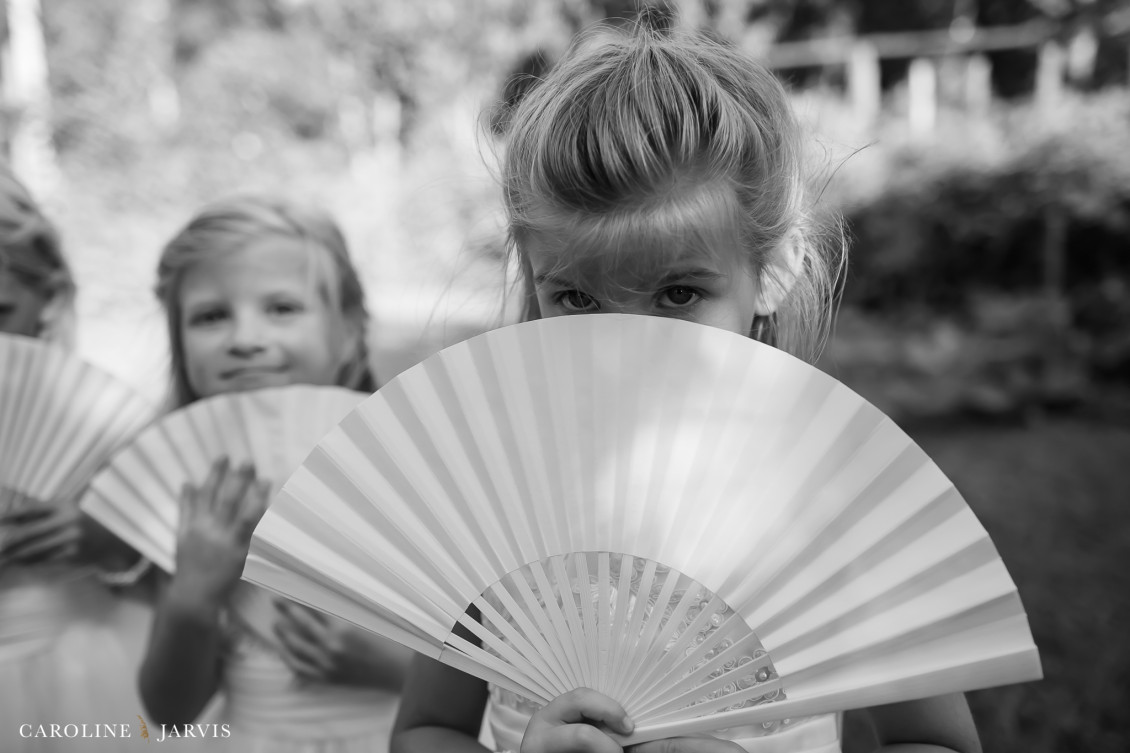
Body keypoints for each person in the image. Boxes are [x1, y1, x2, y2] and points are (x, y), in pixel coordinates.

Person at [391, 26, 982, 753]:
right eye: (578, 298)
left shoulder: (834, 497)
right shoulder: (492, 494)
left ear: (774, 267)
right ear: (533, 277)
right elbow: (425, 729)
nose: (624, 349)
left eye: (677, 294)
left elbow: (937, 742)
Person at [138, 196, 412, 751]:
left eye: (282, 308)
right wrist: (191, 598)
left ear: (350, 330)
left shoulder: (411, 460)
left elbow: (495, 677)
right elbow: (169, 713)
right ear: (179, 346)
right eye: (211, 316)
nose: (245, 338)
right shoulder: (193, 484)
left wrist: (392, 666)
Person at [0, 165, 150, 750]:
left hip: (78, 671)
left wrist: (105, 538)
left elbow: (156, 570)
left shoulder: (93, 419)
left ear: (48, 296)